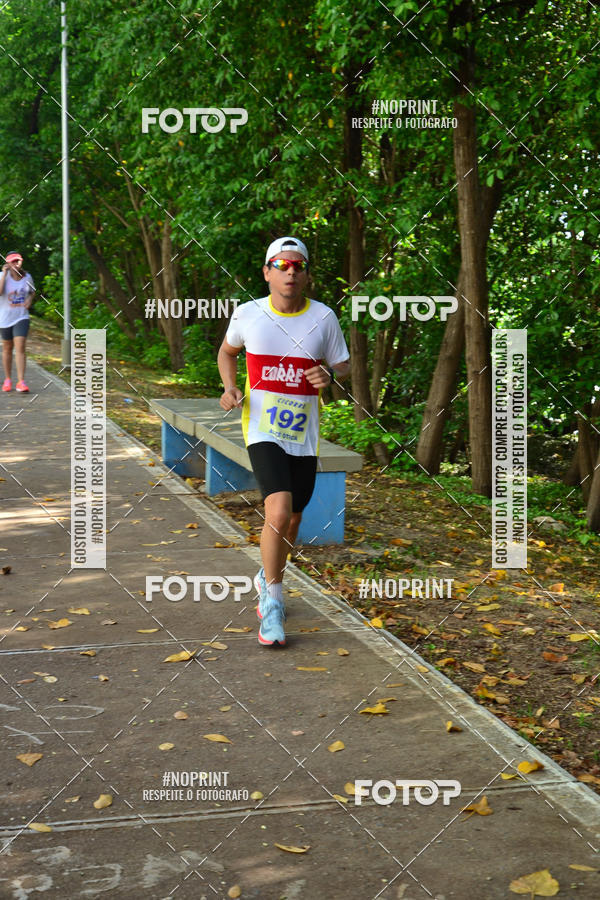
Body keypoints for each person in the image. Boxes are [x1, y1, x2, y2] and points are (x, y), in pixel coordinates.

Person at [218, 237, 350, 646]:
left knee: (293, 519)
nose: (289, 271)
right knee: (277, 511)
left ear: (306, 274)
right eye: (281, 264)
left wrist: (330, 377)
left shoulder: (324, 318)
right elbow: (226, 352)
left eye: (297, 265)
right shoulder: (248, 314)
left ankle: (268, 573)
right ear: (267, 272)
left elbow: (343, 367)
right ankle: (272, 603)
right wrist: (229, 387)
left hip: (304, 435)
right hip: (261, 429)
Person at [0, 251, 36, 393]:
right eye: (13, 261)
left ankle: (21, 382)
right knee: (7, 348)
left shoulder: (27, 277)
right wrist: (4, 274)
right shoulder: (3, 276)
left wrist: (29, 300)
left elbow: (32, 291)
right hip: (5, 319)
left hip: (22, 317)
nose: (16, 264)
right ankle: (8, 379)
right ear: (8, 263)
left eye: (18, 261)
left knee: (20, 346)